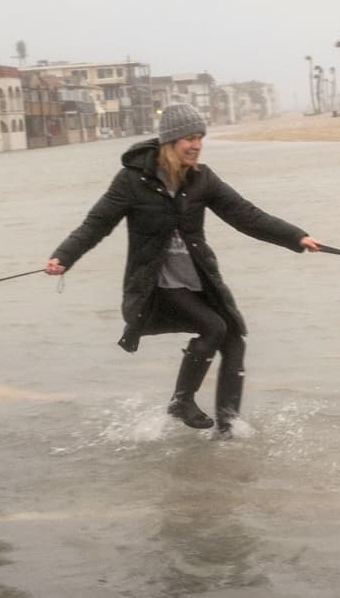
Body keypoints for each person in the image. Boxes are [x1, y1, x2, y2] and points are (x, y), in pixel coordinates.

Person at [45, 103, 319, 437]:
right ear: (170, 141)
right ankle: (181, 401)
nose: (197, 145)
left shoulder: (202, 179)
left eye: (200, 137)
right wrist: (64, 256)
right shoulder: (133, 180)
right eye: (189, 138)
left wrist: (296, 236)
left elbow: (246, 215)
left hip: (198, 279)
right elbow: (96, 224)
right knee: (213, 327)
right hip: (156, 283)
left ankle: (228, 426)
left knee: (234, 339)